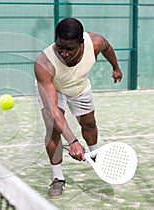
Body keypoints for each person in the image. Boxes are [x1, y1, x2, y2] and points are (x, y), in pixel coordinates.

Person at [34, 18, 123, 199]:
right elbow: (54, 111)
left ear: (81, 43)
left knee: (89, 123)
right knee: (53, 129)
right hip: (54, 88)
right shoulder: (44, 64)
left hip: (79, 86)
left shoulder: (95, 42)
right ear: (56, 39)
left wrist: (116, 67)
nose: (64, 53)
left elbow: (108, 48)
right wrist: (73, 141)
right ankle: (58, 178)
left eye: (70, 49)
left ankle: (96, 156)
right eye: (60, 47)